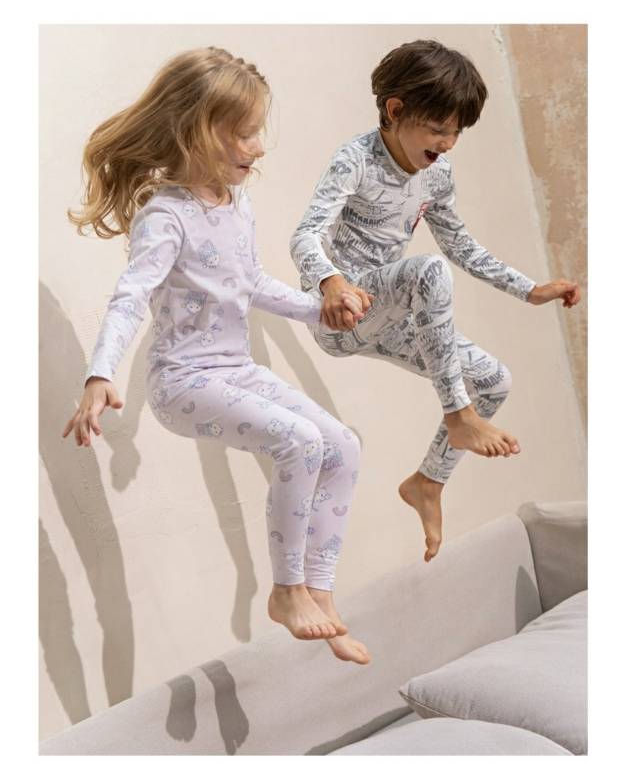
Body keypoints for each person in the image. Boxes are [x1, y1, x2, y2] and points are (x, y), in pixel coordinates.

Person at [62, 47, 372, 665]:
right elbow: (130, 297)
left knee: (341, 444)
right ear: (196, 130)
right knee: (299, 442)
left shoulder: (237, 203)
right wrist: (100, 374)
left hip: (237, 370)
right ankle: (287, 592)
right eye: (244, 133)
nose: (258, 148)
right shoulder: (165, 216)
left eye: (258, 132)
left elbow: (249, 281)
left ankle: (318, 589)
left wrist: (318, 309)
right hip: (184, 382)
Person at [290, 39, 581, 562]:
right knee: (427, 271)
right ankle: (459, 414)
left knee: (494, 379)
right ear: (395, 110)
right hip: (343, 313)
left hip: (390, 317)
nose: (447, 143)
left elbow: (461, 245)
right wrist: (331, 282)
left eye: (457, 132)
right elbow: (305, 235)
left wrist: (529, 290)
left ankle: (427, 482)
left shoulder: (437, 175)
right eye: (437, 129)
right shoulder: (356, 160)